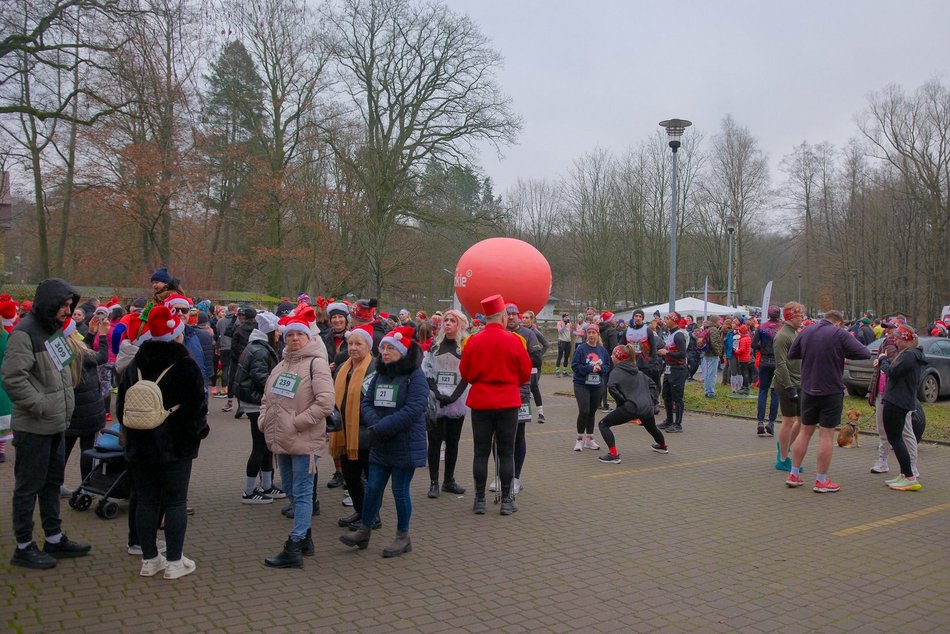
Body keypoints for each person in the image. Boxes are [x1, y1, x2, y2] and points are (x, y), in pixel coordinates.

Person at [116, 305, 209, 579]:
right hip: (175, 447)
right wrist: (197, 434)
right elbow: (197, 410)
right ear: (176, 334)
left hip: (139, 444)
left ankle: (149, 559)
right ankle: (175, 561)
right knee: (175, 503)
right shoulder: (186, 366)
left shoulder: (135, 365)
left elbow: (122, 406)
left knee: (146, 502)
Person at [4, 279, 92, 569]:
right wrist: (41, 405)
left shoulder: (53, 331)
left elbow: (65, 368)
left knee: (52, 483)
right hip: (35, 426)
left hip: (56, 424)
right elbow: (13, 378)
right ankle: (24, 546)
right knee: (28, 486)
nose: (68, 311)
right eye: (64, 306)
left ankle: (53, 538)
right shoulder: (24, 333)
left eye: (70, 306)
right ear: (50, 304)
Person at [340, 326, 426, 556]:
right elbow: (366, 402)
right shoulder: (380, 373)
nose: (385, 352)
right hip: (380, 441)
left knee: (400, 491)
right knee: (373, 489)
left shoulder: (415, 376)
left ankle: (402, 537)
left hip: (404, 444)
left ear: (403, 351)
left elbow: (414, 409)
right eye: (383, 348)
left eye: (390, 348)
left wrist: (382, 427)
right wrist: (374, 423)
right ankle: (364, 530)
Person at [258, 316, 334, 568]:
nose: (294, 339)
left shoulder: (317, 365)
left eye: (299, 334)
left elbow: (325, 402)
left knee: (302, 493)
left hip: (304, 440)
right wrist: (264, 420)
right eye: (290, 335)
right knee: (290, 490)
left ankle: (294, 546)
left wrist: (297, 422)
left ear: (308, 337)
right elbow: (267, 399)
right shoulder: (280, 366)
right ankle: (306, 538)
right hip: (280, 440)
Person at [459, 295, 532, 516]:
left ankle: (479, 500)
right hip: (508, 400)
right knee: (507, 452)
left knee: (480, 452)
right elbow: (525, 372)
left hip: (481, 401)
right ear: (502, 317)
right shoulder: (515, 340)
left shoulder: (472, 340)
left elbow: (466, 373)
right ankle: (507, 500)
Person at [785, 310, 870, 493]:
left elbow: (792, 354)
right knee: (826, 435)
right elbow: (863, 352)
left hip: (808, 388)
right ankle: (821, 481)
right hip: (830, 390)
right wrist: (841, 353)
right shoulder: (839, 333)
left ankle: (793, 474)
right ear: (838, 323)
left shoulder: (806, 330)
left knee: (805, 432)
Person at [234, 311, 285, 504]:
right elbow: (261, 377)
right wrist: (280, 389)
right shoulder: (261, 351)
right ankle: (249, 491)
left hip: (256, 401)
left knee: (266, 446)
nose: (279, 335)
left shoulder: (257, 346)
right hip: (256, 404)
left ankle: (267, 485)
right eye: (277, 332)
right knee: (260, 446)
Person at [331, 325, 378, 530]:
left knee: (369, 477)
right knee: (350, 476)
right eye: (350, 343)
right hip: (344, 432)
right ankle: (360, 510)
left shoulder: (375, 368)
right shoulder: (343, 368)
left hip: (366, 432)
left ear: (368, 346)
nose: (353, 348)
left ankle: (372, 516)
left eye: (358, 344)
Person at [422, 309, 470, 498]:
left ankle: (448, 480)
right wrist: (436, 393)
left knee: (453, 443)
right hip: (437, 401)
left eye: (452, 321)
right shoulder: (435, 346)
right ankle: (434, 482)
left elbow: (468, 374)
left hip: (456, 401)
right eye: (446, 320)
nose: (448, 323)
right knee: (434, 442)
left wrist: (455, 395)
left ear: (460, 325)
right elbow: (427, 371)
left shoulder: (465, 347)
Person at [876, 324, 925, 490]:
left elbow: (892, 372)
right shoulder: (910, 355)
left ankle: (910, 476)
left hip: (897, 401)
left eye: (897, 338)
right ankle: (904, 473)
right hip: (900, 399)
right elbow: (896, 369)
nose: (894, 340)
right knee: (895, 438)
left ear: (906, 339)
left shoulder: (909, 355)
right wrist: (887, 361)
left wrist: (883, 360)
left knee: (896, 438)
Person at [62, 313, 109, 489]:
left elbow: (85, 353)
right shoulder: (80, 353)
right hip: (89, 410)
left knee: (64, 449)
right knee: (87, 450)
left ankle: (56, 483)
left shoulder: (65, 351)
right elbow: (101, 357)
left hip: (71, 409)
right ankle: (86, 485)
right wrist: (102, 335)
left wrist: (90, 333)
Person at [598, 345, 667, 463]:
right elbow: (653, 385)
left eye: (613, 355)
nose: (611, 356)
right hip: (646, 407)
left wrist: (621, 402)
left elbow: (611, 387)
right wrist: (650, 399)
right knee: (652, 428)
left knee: (603, 424)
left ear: (618, 358)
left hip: (630, 407)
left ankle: (614, 455)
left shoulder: (617, 371)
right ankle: (663, 446)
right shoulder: (637, 371)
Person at [868, 319, 919, 476]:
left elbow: (894, 370)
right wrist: (873, 390)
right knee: (883, 429)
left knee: (905, 431)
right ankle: (883, 460)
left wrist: (883, 361)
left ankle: (911, 466)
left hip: (899, 398)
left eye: (891, 329)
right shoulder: (885, 343)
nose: (887, 331)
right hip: (884, 391)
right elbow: (885, 368)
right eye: (887, 328)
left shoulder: (907, 352)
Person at [773, 302, 804, 471]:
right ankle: (783, 458)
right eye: (800, 316)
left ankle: (784, 446)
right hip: (786, 384)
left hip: (799, 381)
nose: (803, 319)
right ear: (791, 316)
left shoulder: (796, 333)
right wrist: (789, 387)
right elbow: (781, 364)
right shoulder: (782, 336)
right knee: (788, 421)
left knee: (802, 420)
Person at [571, 323, 611, 451]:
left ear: (598, 334)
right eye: (589, 333)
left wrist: (599, 369)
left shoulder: (602, 350)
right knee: (584, 411)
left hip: (597, 384)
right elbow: (575, 366)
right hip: (582, 384)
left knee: (592, 412)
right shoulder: (581, 349)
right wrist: (590, 368)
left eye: (594, 333)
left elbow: (607, 366)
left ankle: (590, 438)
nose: (592, 335)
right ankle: (579, 439)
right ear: (586, 335)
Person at [751, 307, 781, 436]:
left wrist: (761, 348)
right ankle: (771, 423)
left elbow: (753, 344)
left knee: (763, 391)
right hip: (778, 362)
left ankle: (760, 422)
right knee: (775, 393)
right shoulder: (783, 327)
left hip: (764, 361)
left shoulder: (762, 327)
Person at [658, 313, 689, 433]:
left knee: (677, 397)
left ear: (674, 321)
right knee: (666, 395)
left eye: (668, 319)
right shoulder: (670, 334)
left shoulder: (678, 335)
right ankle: (669, 420)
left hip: (678, 369)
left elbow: (682, 354)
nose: (666, 321)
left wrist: (667, 353)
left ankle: (678, 424)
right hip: (669, 368)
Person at [520, 310, 548, 423]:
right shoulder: (520, 331)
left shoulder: (534, 332)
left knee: (533, 386)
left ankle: (541, 413)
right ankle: (521, 411)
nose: (525, 320)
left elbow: (546, 344)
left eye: (527, 318)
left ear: (532, 320)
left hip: (533, 364)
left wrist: (538, 355)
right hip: (521, 364)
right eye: (524, 317)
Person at [699, 315, 723, 398]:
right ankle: (710, 392)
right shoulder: (714, 330)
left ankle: (707, 390)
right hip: (712, 354)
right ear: (716, 321)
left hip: (706, 353)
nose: (720, 322)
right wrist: (719, 353)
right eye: (719, 321)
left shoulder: (706, 328)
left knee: (707, 374)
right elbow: (715, 343)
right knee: (712, 374)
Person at [555, 313, 573, 377]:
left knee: (566, 357)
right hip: (562, 341)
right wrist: (565, 325)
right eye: (565, 317)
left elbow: (571, 332)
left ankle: (565, 372)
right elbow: (560, 331)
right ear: (563, 318)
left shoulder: (569, 324)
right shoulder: (559, 323)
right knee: (560, 356)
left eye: (567, 317)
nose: (567, 318)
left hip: (568, 341)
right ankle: (557, 371)